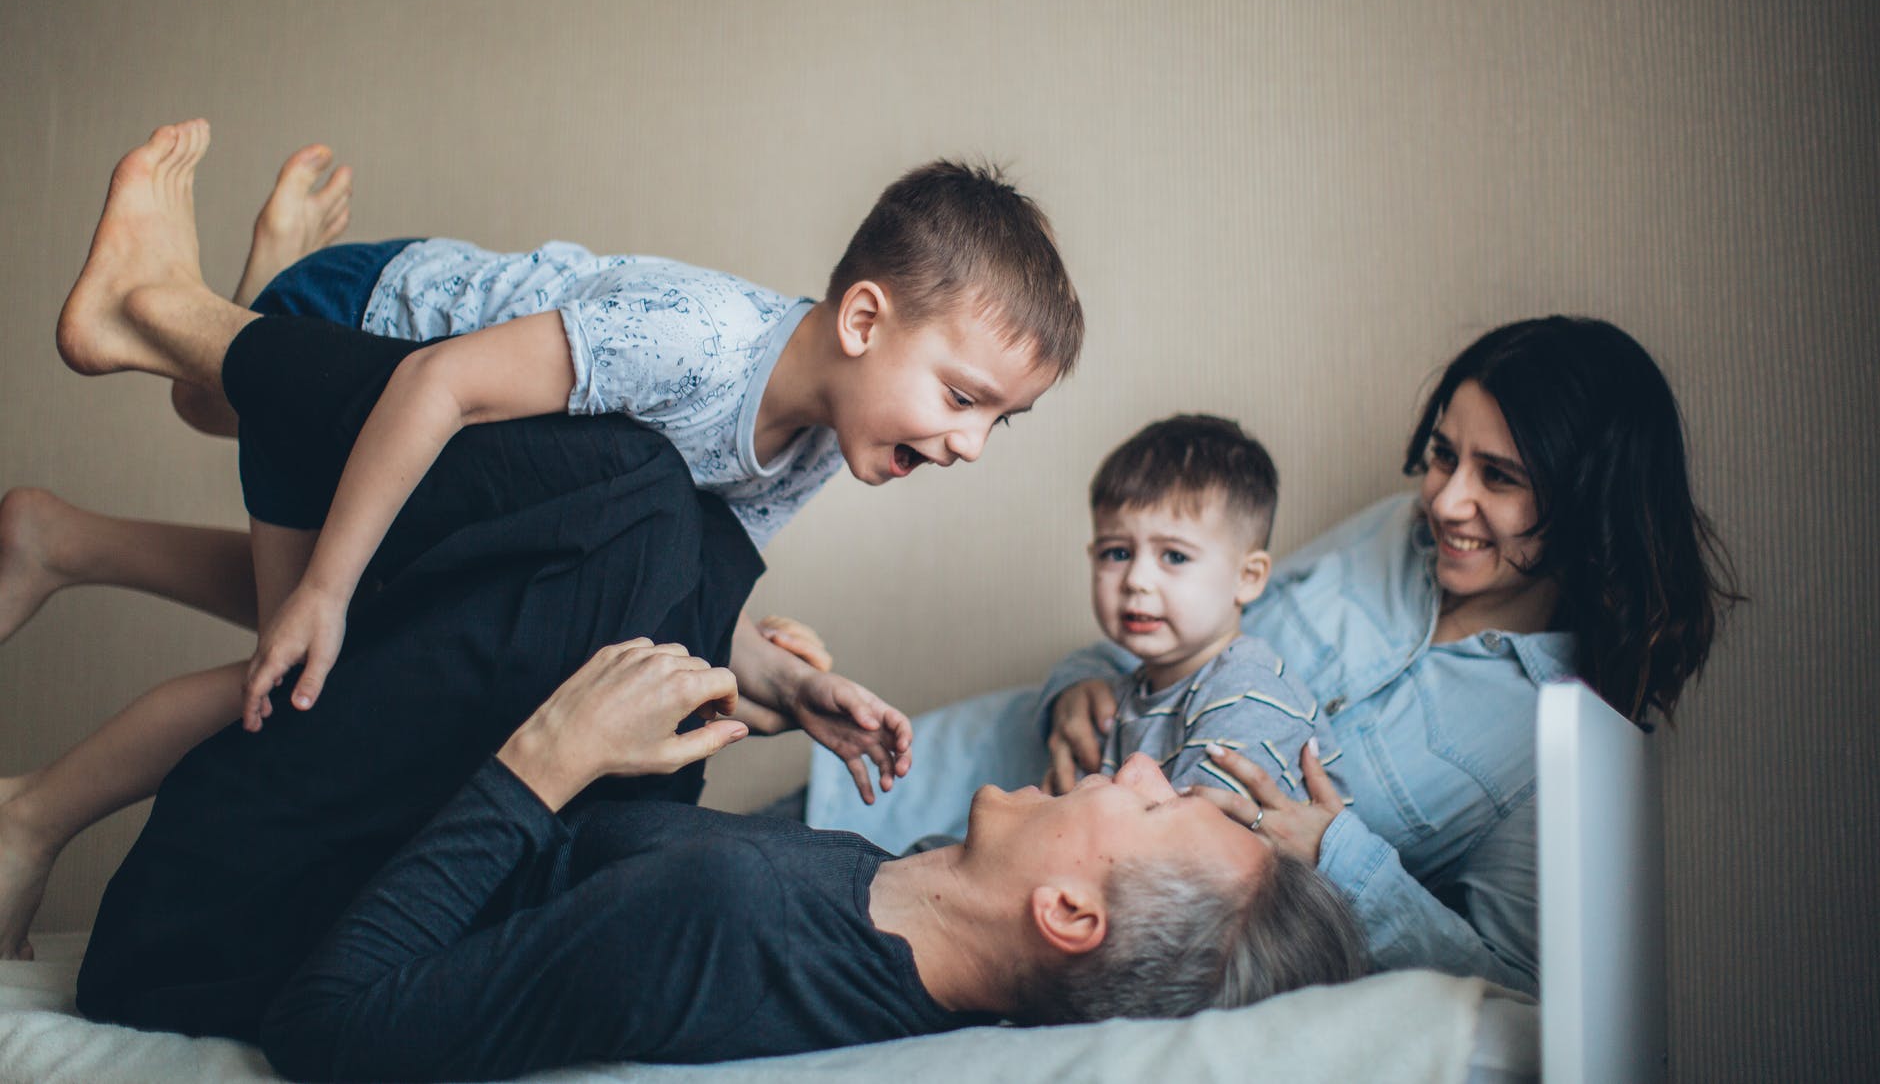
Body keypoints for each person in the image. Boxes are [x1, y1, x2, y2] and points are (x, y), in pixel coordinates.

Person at [0, 118, 1082, 956]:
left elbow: (681, 588)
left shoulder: (805, 444)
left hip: (437, 445)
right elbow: (434, 384)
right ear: (859, 321)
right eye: (958, 396)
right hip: (370, 330)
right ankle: (29, 815)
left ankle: (64, 533)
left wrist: (788, 687)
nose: (970, 444)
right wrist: (324, 587)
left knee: (312, 559)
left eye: (997, 419)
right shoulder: (699, 343)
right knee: (297, 669)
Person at [808, 316, 1740, 996]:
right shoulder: (1388, 536)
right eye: (1444, 455)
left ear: (1587, 502)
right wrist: (1074, 686)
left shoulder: (1561, 733)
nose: (1447, 500)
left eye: (1499, 478)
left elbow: (1514, 987)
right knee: (727, 855)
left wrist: (1347, 860)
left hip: (1041, 909)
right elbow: (1192, 615)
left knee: (769, 941)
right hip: (951, 768)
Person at [258, 637, 1369, 1082]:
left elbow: (326, 1025)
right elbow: (587, 891)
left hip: (267, 906)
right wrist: (750, 698)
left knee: (636, 496)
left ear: (1071, 912)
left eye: (1155, 805)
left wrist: (542, 762)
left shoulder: (736, 921)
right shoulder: (906, 905)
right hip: (389, 815)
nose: (1140, 767)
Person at [1072, 413, 1339, 797]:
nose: (1136, 580)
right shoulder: (1129, 694)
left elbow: (1195, 844)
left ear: (1247, 578)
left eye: (1175, 557)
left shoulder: (1247, 693)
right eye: (1116, 552)